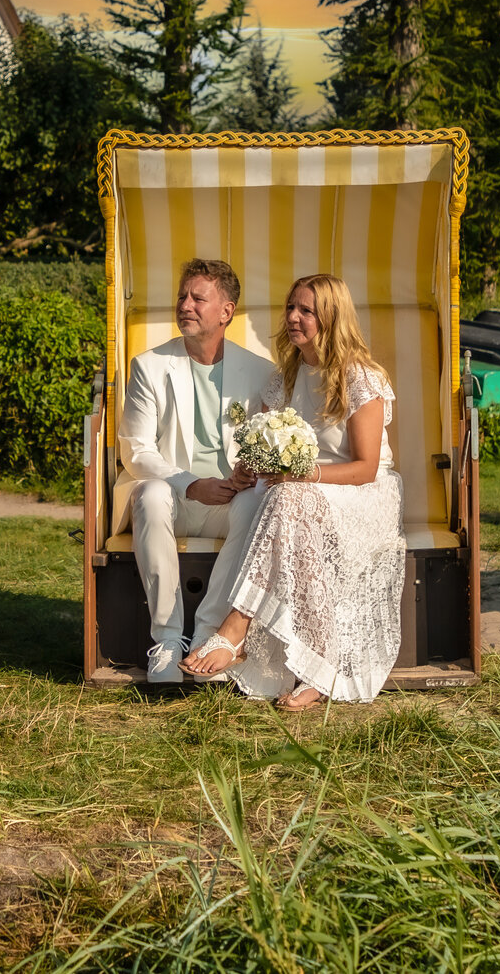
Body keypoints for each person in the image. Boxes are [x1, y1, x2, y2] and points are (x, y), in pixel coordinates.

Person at [181, 273, 404, 711]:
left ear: (332, 318)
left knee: (288, 498)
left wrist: (302, 477)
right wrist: (249, 468)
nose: (294, 318)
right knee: (283, 501)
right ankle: (314, 670)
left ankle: (235, 628)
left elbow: (365, 468)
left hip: (363, 495)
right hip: (300, 495)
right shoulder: (284, 378)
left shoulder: (361, 378)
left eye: (307, 310)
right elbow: (259, 443)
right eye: (291, 308)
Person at [117, 259, 276, 683]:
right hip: (176, 496)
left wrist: (249, 470)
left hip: (232, 500)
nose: (185, 305)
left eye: (197, 298)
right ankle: (167, 640)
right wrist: (192, 485)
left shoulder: (262, 372)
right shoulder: (149, 366)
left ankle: (210, 636)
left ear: (226, 311)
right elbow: (136, 450)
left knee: (261, 502)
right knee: (148, 494)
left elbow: (270, 441)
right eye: (181, 296)